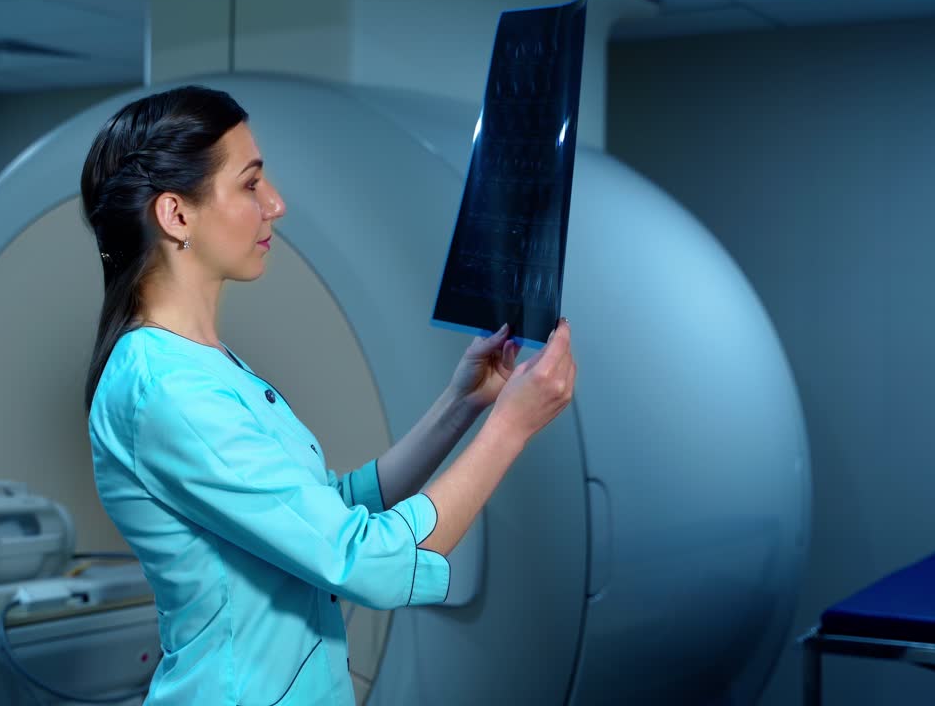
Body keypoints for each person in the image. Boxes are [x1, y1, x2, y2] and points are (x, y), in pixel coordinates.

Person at [83, 85, 576, 706]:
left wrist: (466, 405)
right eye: (251, 184)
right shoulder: (166, 389)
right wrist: (512, 428)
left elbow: (320, 515)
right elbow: (366, 564)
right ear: (176, 215)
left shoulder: (205, 367)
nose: (276, 204)